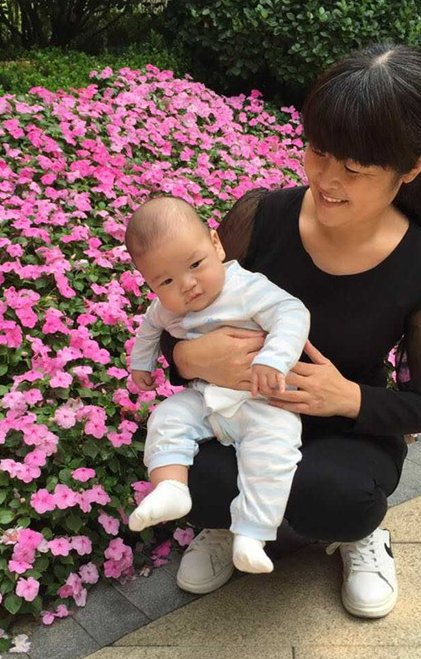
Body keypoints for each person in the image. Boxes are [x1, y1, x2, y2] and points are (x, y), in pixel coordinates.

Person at [159, 42, 421, 618]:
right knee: (186, 472)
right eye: (318, 152)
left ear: (411, 169)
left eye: (354, 169)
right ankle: (226, 522)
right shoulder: (260, 219)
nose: (326, 180)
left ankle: (361, 536)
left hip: (345, 434)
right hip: (239, 416)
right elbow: (179, 316)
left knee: (334, 497)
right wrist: (188, 357)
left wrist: (349, 398)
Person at [125, 197, 310, 574]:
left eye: (195, 264)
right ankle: (171, 488)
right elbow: (149, 328)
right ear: (151, 284)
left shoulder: (245, 288)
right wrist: (141, 364)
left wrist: (274, 358)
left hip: (261, 401)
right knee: (166, 417)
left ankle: (252, 533)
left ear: (216, 244)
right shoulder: (165, 308)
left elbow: (292, 312)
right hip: (205, 398)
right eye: (166, 281)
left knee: (275, 449)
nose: (187, 285)